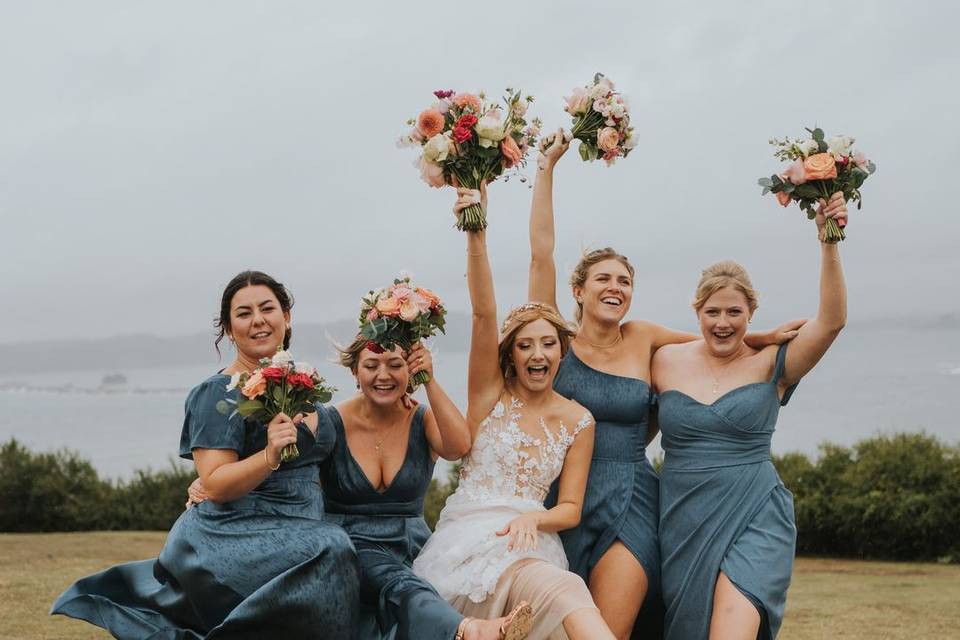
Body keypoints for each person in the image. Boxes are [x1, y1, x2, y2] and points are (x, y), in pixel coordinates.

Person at [529, 133, 803, 638]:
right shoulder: (555, 341)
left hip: (633, 493)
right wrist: (546, 170)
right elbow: (540, 256)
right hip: (562, 494)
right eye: (604, 279)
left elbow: (716, 340)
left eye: (625, 281)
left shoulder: (646, 338)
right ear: (578, 291)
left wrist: (759, 334)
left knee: (614, 626)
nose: (616, 287)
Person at [51, 270, 360, 639]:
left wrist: (392, 401)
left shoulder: (306, 389)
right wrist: (268, 454)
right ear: (229, 329)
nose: (258, 320)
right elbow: (215, 484)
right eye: (243, 314)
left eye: (267, 308)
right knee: (333, 547)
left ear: (287, 317)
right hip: (232, 534)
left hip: (301, 527)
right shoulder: (217, 394)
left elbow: (339, 436)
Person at [413, 184, 616, 640]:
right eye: (525, 345)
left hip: (534, 545)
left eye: (548, 344)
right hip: (469, 543)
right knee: (562, 595)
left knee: (559, 590)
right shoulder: (490, 395)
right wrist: (476, 236)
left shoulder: (579, 420)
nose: (537, 354)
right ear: (511, 355)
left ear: (562, 351)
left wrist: (533, 518)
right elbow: (485, 314)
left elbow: (570, 508)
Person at [652, 194, 848, 639]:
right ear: (696, 313)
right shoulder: (664, 360)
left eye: (735, 313)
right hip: (683, 518)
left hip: (756, 511)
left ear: (751, 313)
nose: (723, 322)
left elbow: (832, 321)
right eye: (713, 312)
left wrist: (828, 241)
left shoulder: (774, 362)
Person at [318, 335, 529, 640]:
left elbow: (459, 447)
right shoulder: (331, 420)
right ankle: (470, 630)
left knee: (423, 585)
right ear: (354, 371)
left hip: (413, 547)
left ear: (410, 370)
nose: (383, 375)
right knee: (401, 584)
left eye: (395, 365)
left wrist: (429, 381)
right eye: (371, 365)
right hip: (350, 548)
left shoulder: (421, 418)